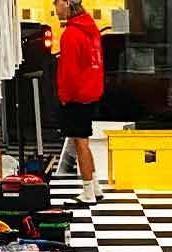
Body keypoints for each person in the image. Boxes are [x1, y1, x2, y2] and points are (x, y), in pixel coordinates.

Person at [54, 0, 104, 204]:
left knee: (80, 142)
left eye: (57, 3)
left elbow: (69, 71)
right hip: (91, 91)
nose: (55, 7)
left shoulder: (71, 34)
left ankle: (88, 192)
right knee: (84, 141)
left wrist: (64, 96)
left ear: (66, 3)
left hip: (76, 96)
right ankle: (95, 186)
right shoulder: (91, 30)